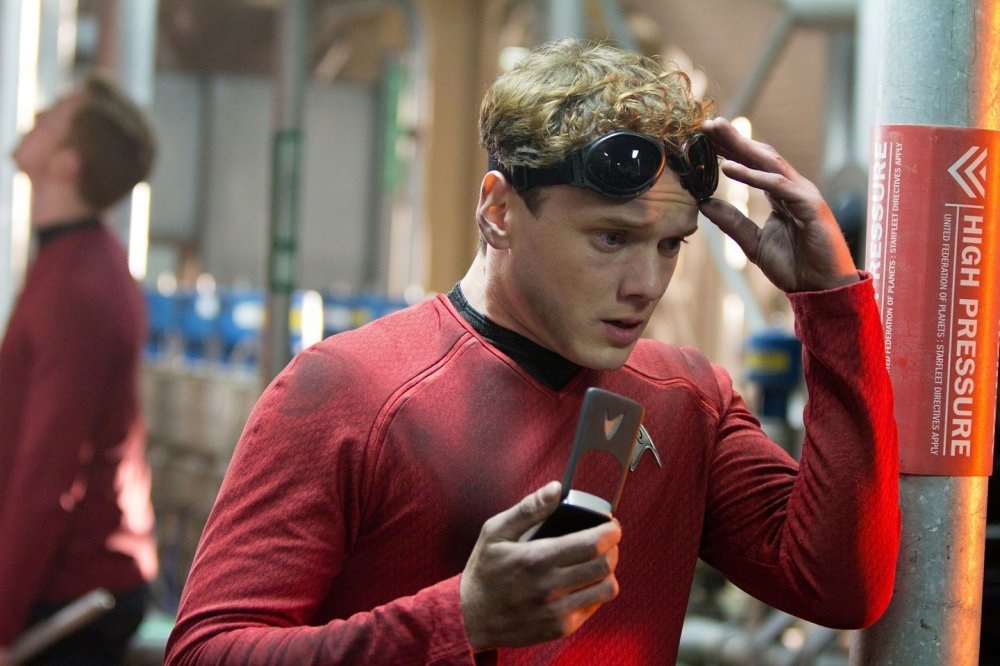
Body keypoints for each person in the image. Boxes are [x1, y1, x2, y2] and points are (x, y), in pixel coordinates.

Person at [165, 39, 900, 665]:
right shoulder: (349, 390)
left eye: (669, 245)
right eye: (611, 237)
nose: (646, 284)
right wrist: (457, 619)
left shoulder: (687, 401)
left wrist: (832, 303)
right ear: (498, 211)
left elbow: (839, 586)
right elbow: (204, 651)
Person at [0, 72, 158, 664]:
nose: (34, 120)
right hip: (60, 582)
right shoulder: (71, 262)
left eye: (52, 118)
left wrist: (2, 621)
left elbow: (49, 471)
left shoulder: (78, 286)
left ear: (68, 164)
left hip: (75, 594)